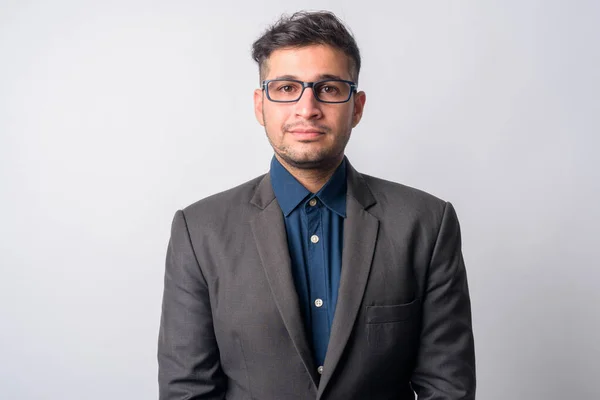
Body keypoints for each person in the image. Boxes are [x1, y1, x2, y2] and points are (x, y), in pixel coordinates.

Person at [158, 10, 476, 400]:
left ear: (356, 107)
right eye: (287, 88)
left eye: (328, 88)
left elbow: (447, 388)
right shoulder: (199, 230)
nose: (307, 108)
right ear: (260, 105)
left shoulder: (427, 223)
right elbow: (188, 391)